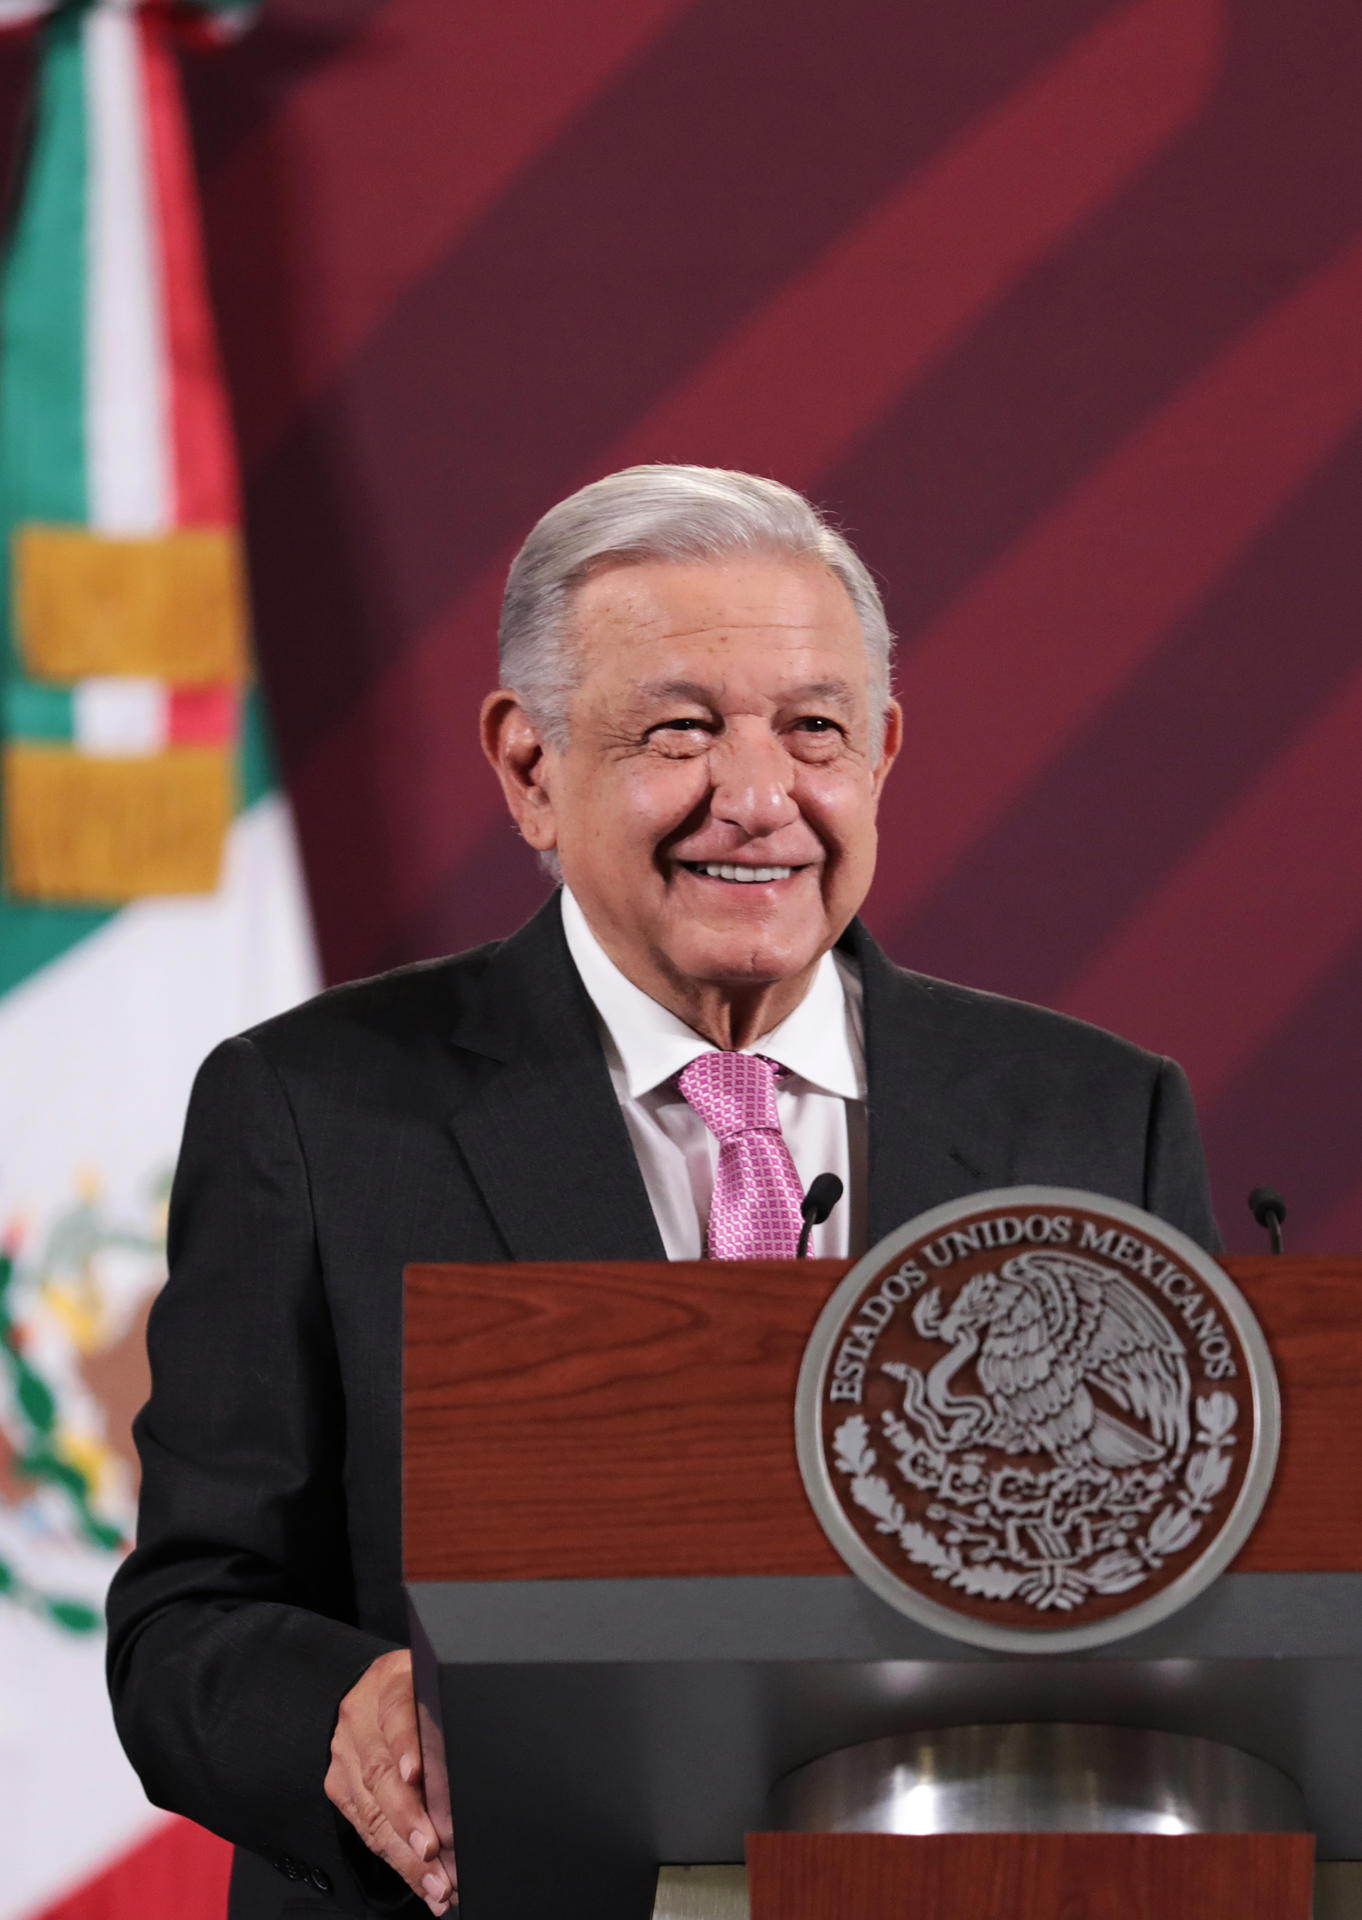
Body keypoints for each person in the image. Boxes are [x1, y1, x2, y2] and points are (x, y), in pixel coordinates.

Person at [106, 467, 1220, 1919]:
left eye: (811, 730)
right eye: (678, 731)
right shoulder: (313, 1113)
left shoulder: (1093, 1118)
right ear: (528, 768)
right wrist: (345, 1714)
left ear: (879, 753)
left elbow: (1207, 1589)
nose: (755, 800)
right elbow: (187, 1622)